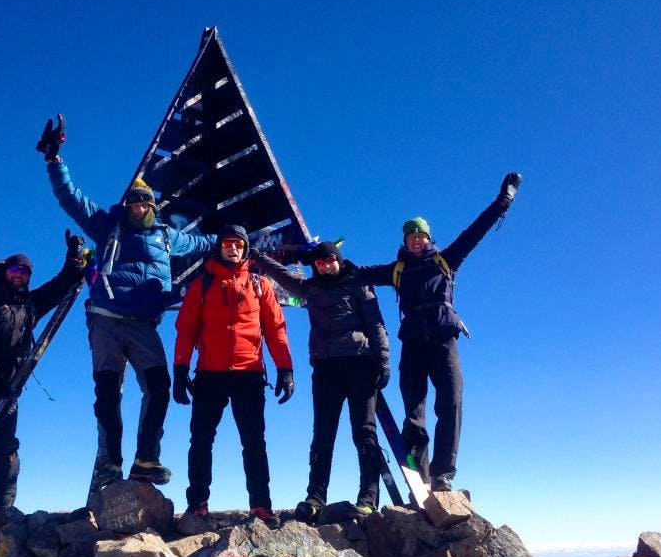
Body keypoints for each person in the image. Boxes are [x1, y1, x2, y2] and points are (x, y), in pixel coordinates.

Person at [36, 116, 216, 500]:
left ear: (153, 206)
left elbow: (205, 245)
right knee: (107, 394)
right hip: (106, 322)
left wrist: (242, 239)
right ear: (127, 204)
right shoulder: (107, 226)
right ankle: (110, 463)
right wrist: (55, 161)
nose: (139, 207)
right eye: (134, 202)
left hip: (145, 325)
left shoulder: (168, 238)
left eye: (145, 202)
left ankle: (145, 459)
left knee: (159, 388)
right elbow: (72, 198)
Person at [356, 172, 522, 492]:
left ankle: (444, 472)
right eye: (410, 236)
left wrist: (503, 201)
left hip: (444, 339)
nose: (415, 240)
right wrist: (326, 260)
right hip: (414, 342)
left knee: (451, 402)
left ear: (428, 238)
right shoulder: (397, 271)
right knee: (413, 405)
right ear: (404, 241)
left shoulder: (446, 260)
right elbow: (359, 274)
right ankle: (420, 463)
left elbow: (476, 231)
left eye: (420, 235)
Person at [0, 232, 86, 518]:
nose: (18, 276)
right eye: (14, 271)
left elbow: (60, 286)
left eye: (24, 273)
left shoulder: (28, 307)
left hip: (8, 387)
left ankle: (4, 508)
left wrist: (74, 258)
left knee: (6, 445)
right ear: (4, 272)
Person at [249, 241, 390, 522]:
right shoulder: (310, 289)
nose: (325, 266)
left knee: (364, 432)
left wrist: (383, 360)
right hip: (325, 369)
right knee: (323, 435)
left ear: (338, 260)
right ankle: (315, 498)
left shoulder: (357, 284)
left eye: (330, 260)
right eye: (320, 262)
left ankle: (368, 498)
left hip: (360, 364)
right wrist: (259, 258)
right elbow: (283, 276)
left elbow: (376, 323)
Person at [172, 225, 294, 528]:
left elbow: (276, 329)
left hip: (249, 374)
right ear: (219, 247)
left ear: (245, 248)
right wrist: (179, 369)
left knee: (254, 442)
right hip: (208, 374)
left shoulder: (259, 284)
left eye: (238, 243)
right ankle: (197, 506)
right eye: (227, 243)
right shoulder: (202, 284)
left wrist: (286, 369)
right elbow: (185, 329)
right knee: (200, 441)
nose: (233, 248)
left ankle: (261, 507)